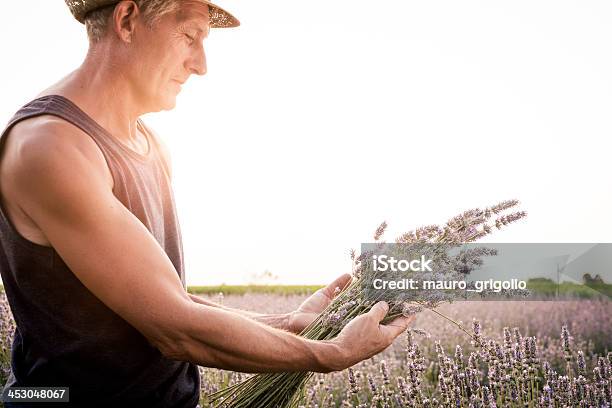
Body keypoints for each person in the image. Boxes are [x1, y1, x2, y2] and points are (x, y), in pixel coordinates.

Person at [0, 1, 414, 406]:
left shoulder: (149, 142)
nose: (201, 65)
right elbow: (175, 329)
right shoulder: (51, 148)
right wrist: (334, 353)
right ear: (127, 19)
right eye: (189, 36)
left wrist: (289, 324)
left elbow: (161, 296)